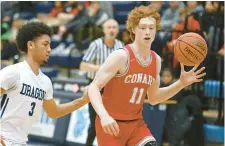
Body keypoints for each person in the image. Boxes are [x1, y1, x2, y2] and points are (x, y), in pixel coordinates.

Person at [88, 5, 206, 146]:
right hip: (111, 125)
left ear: (156, 31)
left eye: (151, 28)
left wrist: (180, 83)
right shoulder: (121, 56)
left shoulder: (156, 60)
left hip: (135, 125)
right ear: (133, 29)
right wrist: (104, 116)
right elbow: (93, 87)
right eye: (142, 27)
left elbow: (154, 98)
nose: (147, 32)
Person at [0, 21, 89, 146]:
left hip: (21, 142)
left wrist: (83, 101)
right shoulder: (13, 72)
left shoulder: (46, 81)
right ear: (30, 45)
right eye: (45, 44)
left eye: (50, 45)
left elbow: (54, 112)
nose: (49, 49)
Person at [80, 19, 123, 146]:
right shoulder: (96, 44)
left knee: (113, 123)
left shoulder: (120, 46)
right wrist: (102, 69)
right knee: (95, 124)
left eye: (114, 27)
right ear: (104, 30)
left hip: (113, 89)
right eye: (109, 27)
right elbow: (83, 65)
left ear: (118, 30)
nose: (111, 30)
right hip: (95, 88)